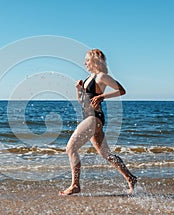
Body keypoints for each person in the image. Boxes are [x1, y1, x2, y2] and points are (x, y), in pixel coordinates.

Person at [59, 49, 137, 196]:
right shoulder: (89, 77)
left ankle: (75, 185)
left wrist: (103, 96)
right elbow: (83, 102)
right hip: (89, 117)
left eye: (87, 60)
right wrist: (79, 90)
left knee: (70, 148)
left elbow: (121, 90)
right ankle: (130, 178)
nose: (84, 63)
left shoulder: (102, 77)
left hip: (94, 118)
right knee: (106, 154)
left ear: (94, 61)